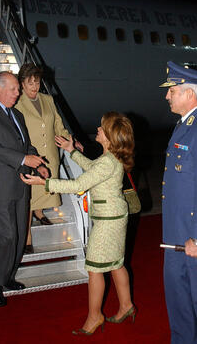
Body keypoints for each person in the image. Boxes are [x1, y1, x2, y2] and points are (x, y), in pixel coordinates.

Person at [20, 112, 136, 335]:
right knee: (116, 264)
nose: (99, 130)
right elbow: (93, 169)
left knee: (94, 269)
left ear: (110, 137)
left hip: (108, 221)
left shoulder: (106, 162)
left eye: (102, 128)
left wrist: (44, 183)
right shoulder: (110, 159)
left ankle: (95, 316)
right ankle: (126, 306)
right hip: (115, 216)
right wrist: (71, 151)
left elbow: (79, 184)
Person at [0, 71, 48, 307]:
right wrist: (25, 159)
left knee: (17, 236)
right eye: (15, 89)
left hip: (20, 183)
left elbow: (25, 144)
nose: (19, 93)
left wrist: (38, 164)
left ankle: (8, 277)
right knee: (6, 235)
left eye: (18, 89)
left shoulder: (16, 114)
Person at [15, 63, 83, 254]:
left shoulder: (48, 100)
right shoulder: (17, 102)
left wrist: (71, 141)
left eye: (36, 82)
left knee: (45, 190)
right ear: (21, 84)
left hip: (49, 154)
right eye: (30, 83)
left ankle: (40, 212)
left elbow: (58, 125)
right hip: (31, 156)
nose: (34, 87)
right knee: (28, 198)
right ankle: (27, 237)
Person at [160, 61, 197, 344]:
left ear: (190, 94)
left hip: (193, 240)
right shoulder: (183, 126)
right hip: (175, 236)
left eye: (171, 91)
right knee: (179, 302)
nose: (167, 96)